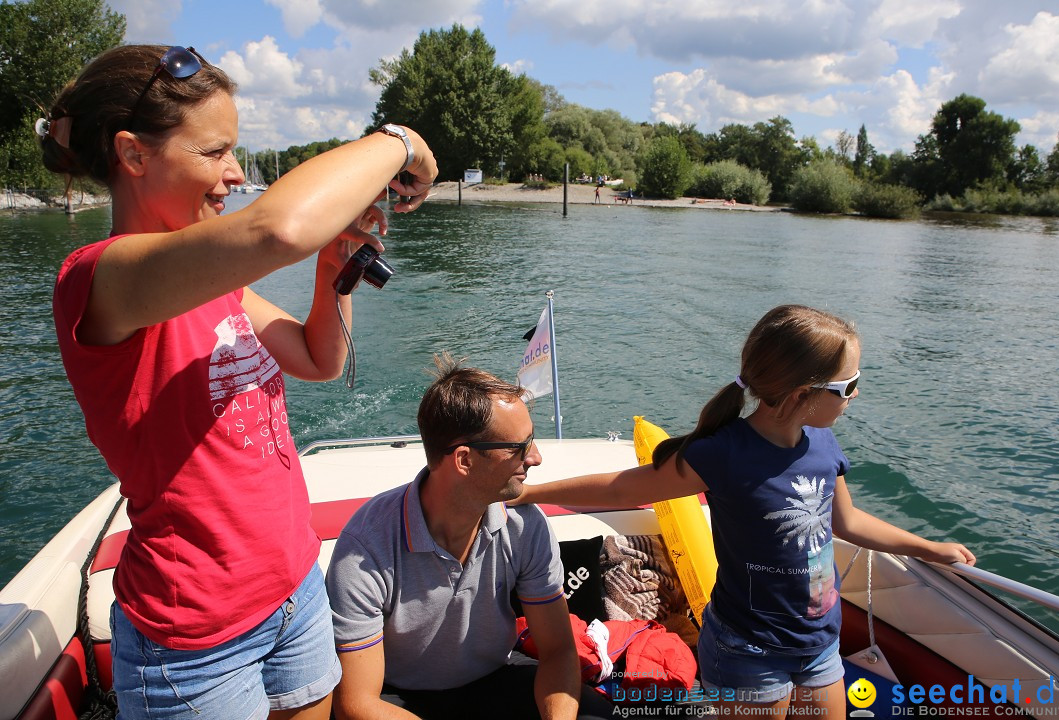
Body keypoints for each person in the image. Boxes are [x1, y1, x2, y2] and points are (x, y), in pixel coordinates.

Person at [39, 44, 437, 719]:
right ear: (135, 156)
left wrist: (332, 273)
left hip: (293, 593)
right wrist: (397, 142)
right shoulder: (100, 277)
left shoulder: (212, 281)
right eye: (215, 152)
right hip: (194, 639)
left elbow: (317, 359)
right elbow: (280, 227)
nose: (233, 175)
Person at [513, 305, 976, 719]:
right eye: (849, 385)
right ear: (802, 395)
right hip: (749, 649)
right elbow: (626, 488)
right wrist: (530, 493)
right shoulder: (726, 453)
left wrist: (930, 548)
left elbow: (847, 522)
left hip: (819, 644)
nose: (856, 394)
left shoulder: (823, 444)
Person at [326, 356, 616, 720]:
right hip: (396, 700)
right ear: (464, 459)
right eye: (519, 446)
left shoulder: (525, 524)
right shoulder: (366, 549)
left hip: (495, 680)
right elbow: (358, 703)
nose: (536, 457)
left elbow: (558, 650)